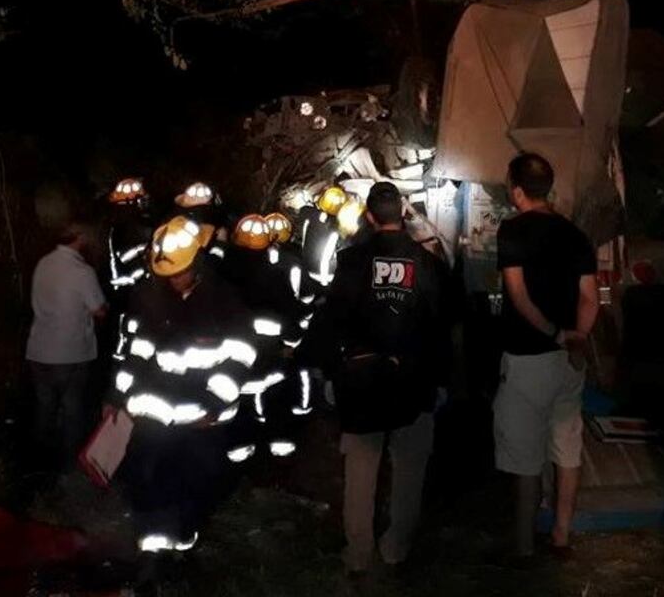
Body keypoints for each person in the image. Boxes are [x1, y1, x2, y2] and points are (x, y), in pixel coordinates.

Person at [299, 181, 453, 575]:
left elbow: (332, 321)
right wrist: (441, 381)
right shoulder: (430, 264)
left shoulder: (352, 262)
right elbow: (442, 329)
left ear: (369, 216)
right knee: (409, 470)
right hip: (414, 381)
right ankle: (396, 548)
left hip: (362, 382)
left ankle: (358, 554)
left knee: (361, 471)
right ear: (401, 213)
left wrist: (327, 371)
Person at [108, 215, 273, 554]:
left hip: (202, 420)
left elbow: (240, 355)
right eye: (166, 274)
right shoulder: (148, 298)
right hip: (154, 415)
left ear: (197, 263)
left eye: (179, 272)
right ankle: (153, 546)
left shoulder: (225, 303)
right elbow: (136, 351)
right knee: (147, 477)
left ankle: (185, 539)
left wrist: (214, 404)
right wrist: (118, 393)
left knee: (197, 482)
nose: (174, 281)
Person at [493, 152, 599, 560]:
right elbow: (590, 300)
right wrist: (577, 336)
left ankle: (522, 547)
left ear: (518, 191)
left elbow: (518, 296)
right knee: (566, 445)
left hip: (528, 359)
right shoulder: (575, 235)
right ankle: (561, 535)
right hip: (570, 361)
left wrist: (556, 334)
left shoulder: (513, 231)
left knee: (524, 455)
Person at [26, 221, 108, 468]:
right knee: (72, 409)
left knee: (45, 408)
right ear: (79, 238)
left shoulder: (43, 263)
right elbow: (99, 311)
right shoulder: (82, 272)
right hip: (69, 353)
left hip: (39, 350)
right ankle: (69, 465)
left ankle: (39, 462)